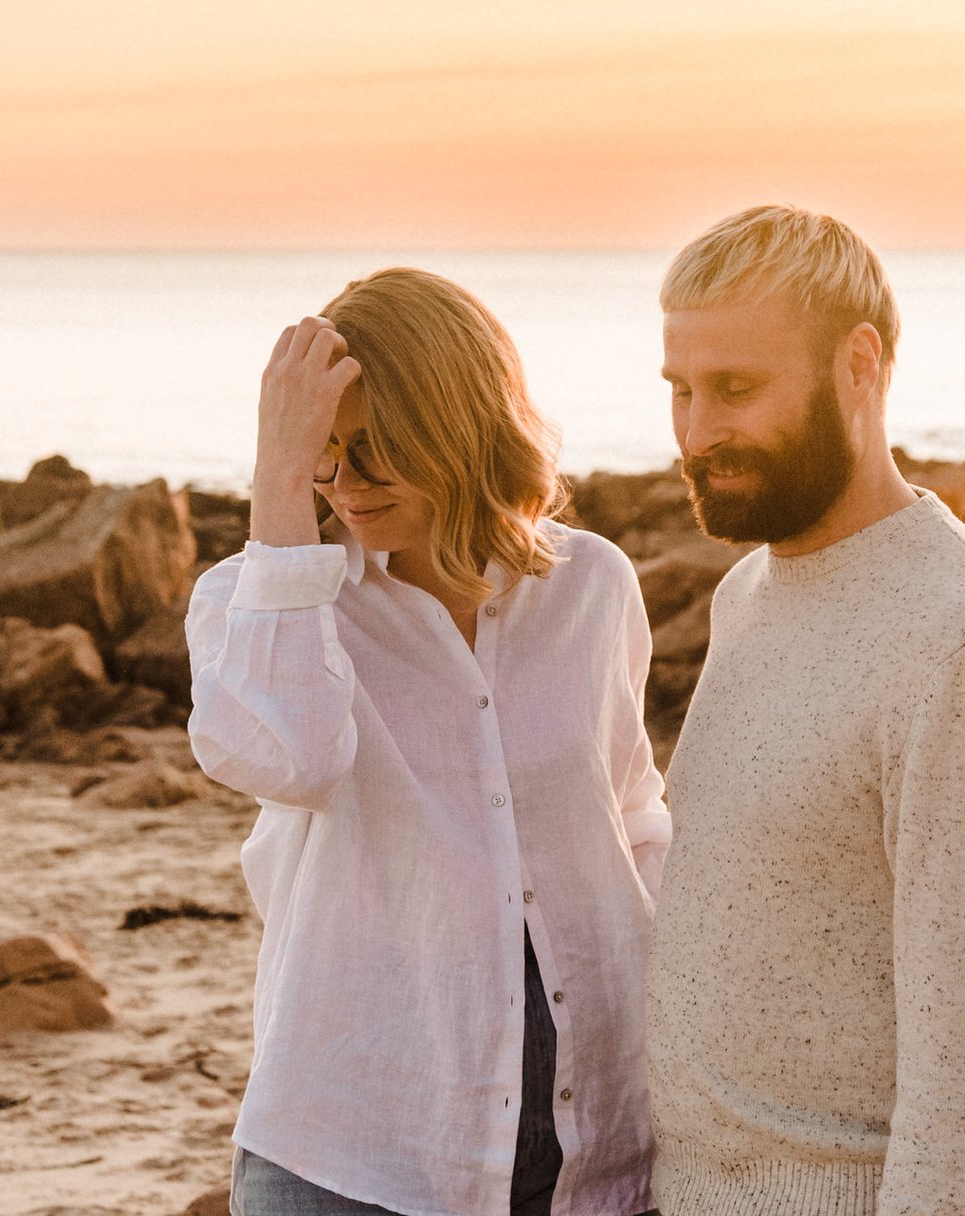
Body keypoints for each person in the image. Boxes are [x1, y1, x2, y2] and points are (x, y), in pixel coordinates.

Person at [186, 267, 668, 1216]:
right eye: (323, 455)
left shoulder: (593, 586)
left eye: (372, 451)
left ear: (460, 423)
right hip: (357, 1144)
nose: (345, 486)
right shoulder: (256, 603)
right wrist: (279, 487)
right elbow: (289, 757)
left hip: (593, 1143)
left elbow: (634, 813)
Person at [644, 205, 965, 1214]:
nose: (698, 431)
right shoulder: (749, 589)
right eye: (680, 390)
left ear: (859, 364)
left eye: (737, 389)